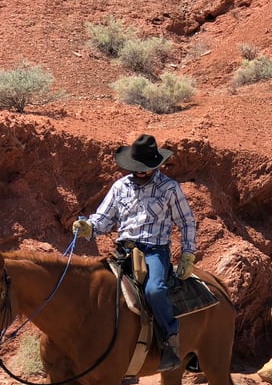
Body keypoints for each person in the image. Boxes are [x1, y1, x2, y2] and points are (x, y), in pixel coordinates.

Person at [72, 134, 197, 371]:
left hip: (154, 252)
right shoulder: (120, 187)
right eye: (136, 167)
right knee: (95, 289)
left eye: (145, 168)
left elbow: (187, 222)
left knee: (155, 290)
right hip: (122, 252)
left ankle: (171, 341)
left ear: (157, 165)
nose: (140, 172)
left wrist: (188, 253)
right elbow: (103, 219)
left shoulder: (170, 189)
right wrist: (89, 226)